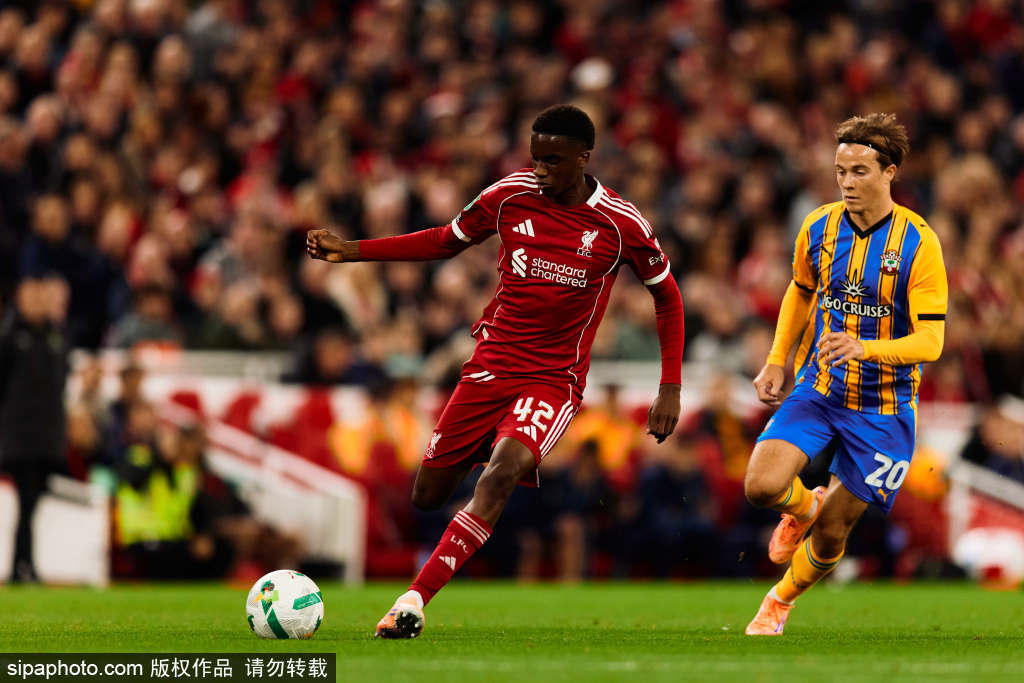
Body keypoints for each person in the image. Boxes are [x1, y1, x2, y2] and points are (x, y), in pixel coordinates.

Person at [306, 104, 684, 638]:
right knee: (427, 495)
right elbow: (445, 241)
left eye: (553, 160)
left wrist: (669, 386)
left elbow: (667, 298)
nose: (541, 170)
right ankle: (493, 446)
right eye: (536, 158)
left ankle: (413, 601)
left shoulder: (621, 224)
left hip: (552, 380)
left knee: (501, 474)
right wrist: (353, 251)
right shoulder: (508, 196)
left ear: (584, 157)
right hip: (490, 366)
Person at [742, 113, 948, 635]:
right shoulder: (819, 226)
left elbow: (932, 341)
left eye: (859, 171)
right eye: (840, 171)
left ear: (889, 172)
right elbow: (800, 291)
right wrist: (777, 358)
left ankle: (779, 601)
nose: (847, 183)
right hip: (821, 389)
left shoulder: (919, 243)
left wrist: (865, 348)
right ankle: (803, 506)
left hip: (884, 408)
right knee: (762, 487)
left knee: (833, 534)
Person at [0, 275, 70, 582]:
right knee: (25, 501)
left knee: (33, 504)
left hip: (47, 437)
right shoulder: (10, 336)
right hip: (19, 438)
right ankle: (22, 565)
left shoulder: (55, 336)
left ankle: (24, 564)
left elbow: (61, 381)